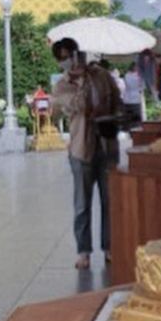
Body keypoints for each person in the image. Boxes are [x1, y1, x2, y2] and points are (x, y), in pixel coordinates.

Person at [51, 38, 122, 269]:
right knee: (82, 204)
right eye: (61, 59)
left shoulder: (101, 76)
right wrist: (80, 83)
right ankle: (83, 251)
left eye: (69, 56)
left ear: (77, 54)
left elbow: (117, 101)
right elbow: (73, 108)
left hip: (106, 145)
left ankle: (110, 247)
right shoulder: (63, 85)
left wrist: (112, 114)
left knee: (109, 200)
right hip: (81, 149)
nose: (66, 62)